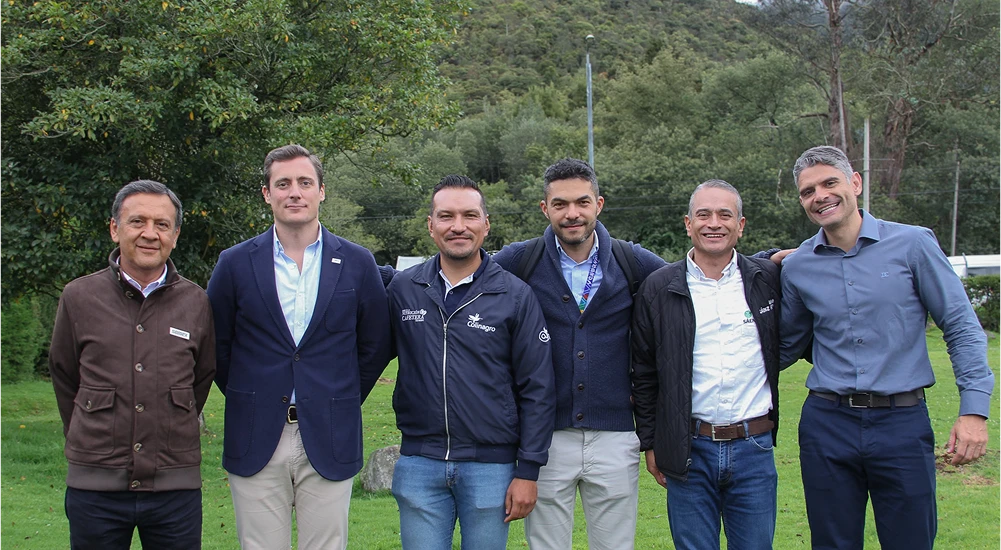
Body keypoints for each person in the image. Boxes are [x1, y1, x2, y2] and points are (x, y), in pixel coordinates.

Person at [779, 145, 994, 550]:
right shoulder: (797, 266)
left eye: (830, 183)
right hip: (826, 425)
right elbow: (784, 347)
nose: (819, 195)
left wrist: (974, 411)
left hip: (902, 424)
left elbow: (961, 327)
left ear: (855, 183)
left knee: (911, 541)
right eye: (808, 191)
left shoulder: (913, 245)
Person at [207, 144, 391, 549]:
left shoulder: (358, 262)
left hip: (330, 432)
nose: (295, 192)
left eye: (305, 182)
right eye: (283, 183)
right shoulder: (234, 263)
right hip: (255, 433)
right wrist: (254, 395)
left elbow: (375, 343)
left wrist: (337, 396)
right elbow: (216, 346)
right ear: (266, 193)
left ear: (321, 191)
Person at [492, 158, 667, 549]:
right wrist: (374, 273)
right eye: (560, 204)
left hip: (616, 435)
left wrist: (769, 262)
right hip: (545, 438)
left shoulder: (629, 259)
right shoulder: (523, 260)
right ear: (545, 208)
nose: (572, 214)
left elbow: (690, 278)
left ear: (599, 204)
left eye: (582, 203)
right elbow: (463, 271)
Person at [388, 175, 555, 550]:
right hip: (419, 462)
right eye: (446, 216)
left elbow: (539, 389)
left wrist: (528, 471)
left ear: (486, 223)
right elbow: (366, 356)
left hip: (491, 468)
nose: (458, 226)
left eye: (469, 215)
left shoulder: (515, 296)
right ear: (431, 225)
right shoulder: (404, 289)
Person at [49, 180, 215, 549]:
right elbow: (64, 373)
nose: (149, 234)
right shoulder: (79, 297)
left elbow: (201, 378)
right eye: (137, 221)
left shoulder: (196, 301)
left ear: (175, 234)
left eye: (161, 224)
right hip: (96, 489)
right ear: (114, 228)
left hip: (175, 489)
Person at [631, 180, 781, 550]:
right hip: (688, 450)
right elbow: (644, 375)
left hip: (754, 448)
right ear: (688, 223)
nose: (714, 223)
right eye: (703, 215)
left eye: (724, 214)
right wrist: (651, 443)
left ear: (741, 225)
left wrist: (787, 254)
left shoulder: (766, 280)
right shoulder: (658, 287)